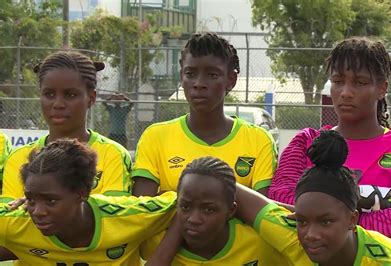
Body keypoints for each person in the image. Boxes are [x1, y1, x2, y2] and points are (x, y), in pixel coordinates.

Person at [268, 37, 391, 264]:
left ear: (382, 88)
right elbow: (281, 211)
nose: (346, 92)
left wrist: (329, 225)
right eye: (338, 81)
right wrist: (348, 223)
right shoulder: (306, 143)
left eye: (359, 82)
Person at [234, 130, 391, 266]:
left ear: (352, 219)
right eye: (302, 221)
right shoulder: (288, 234)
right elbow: (227, 186)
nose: (310, 235)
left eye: (325, 222)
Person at [132, 33, 277, 196]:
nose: (199, 83)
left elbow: (264, 213)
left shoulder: (259, 141)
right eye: (190, 74)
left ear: (231, 80)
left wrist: (172, 196)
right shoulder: (155, 137)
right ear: (181, 76)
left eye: (212, 75)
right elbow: (143, 210)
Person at [0, 139, 176, 264]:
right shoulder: (14, 221)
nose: (38, 211)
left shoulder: (128, 215)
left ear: (81, 194)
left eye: (51, 200)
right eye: (31, 199)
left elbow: (185, 201)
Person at [1, 51, 132, 202]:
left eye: (70, 95)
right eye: (49, 94)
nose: (58, 104)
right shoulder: (19, 158)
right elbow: (9, 217)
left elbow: (112, 216)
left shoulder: (112, 155)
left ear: (91, 98)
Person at [140, 156, 289, 265]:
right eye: (185, 207)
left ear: (231, 210)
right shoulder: (155, 242)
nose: (193, 219)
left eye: (208, 210)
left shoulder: (260, 244)